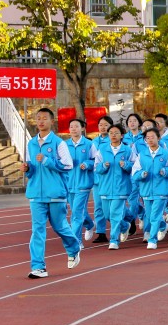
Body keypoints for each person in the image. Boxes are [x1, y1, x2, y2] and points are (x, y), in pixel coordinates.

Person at [24, 108, 81, 278]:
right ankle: (38, 267)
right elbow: (32, 168)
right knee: (37, 230)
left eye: (44, 118)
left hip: (55, 193)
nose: (41, 121)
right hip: (36, 194)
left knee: (60, 226)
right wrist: (27, 169)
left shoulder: (58, 143)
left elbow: (68, 165)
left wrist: (47, 161)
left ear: (51, 121)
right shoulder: (31, 144)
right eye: (38, 118)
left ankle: (74, 248)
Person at [131, 127, 168, 250]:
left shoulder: (165, 154)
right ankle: (163, 226)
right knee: (149, 216)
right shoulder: (142, 155)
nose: (150, 140)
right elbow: (134, 173)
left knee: (154, 216)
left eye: (152, 137)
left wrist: (166, 171)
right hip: (146, 190)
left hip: (161, 190)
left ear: (158, 138)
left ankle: (152, 240)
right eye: (147, 138)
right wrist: (141, 174)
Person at [94, 124, 134, 250]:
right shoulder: (102, 149)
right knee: (107, 215)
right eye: (111, 133)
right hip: (105, 188)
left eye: (116, 133)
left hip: (121, 187)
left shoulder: (127, 150)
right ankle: (124, 226)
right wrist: (103, 166)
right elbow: (96, 168)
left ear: (122, 135)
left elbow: (135, 166)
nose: (113, 135)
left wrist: (126, 165)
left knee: (115, 214)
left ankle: (114, 240)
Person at [65, 118, 96, 244]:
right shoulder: (64, 145)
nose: (74, 129)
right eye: (71, 126)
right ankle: (89, 224)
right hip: (68, 183)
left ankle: (76, 241)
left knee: (76, 213)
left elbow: (96, 161)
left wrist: (87, 164)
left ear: (82, 128)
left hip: (83, 183)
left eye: (76, 126)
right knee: (77, 211)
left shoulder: (89, 144)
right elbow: (58, 161)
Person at [89, 115, 114, 243]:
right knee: (98, 206)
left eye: (106, 125)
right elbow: (91, 159)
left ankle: (126, 221)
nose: (103, 127)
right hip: (97, 180)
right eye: (101, 125)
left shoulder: (113, 141)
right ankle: (101, 232)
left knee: (113, 207)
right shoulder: (93, 142)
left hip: (111, 180)